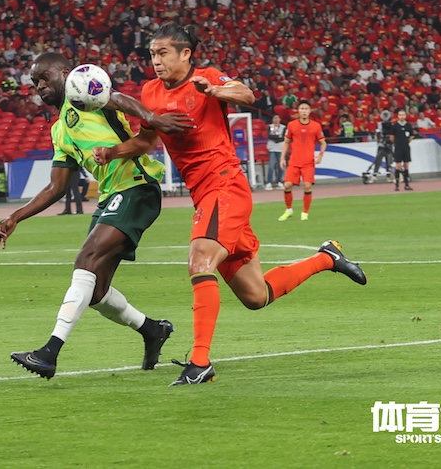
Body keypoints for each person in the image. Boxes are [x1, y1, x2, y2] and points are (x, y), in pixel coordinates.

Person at [93, 23, 367, 386]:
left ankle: (200, 363)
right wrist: (112, 152)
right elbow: (147, 141)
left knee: (199, 261)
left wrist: (216, 90)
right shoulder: (151, 91)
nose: (155, 61)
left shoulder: (206, 78)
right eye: (152, 54)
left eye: (162, 53)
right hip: (205, 195)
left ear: (185, 54)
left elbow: (246, 94)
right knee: (256, 295)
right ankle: (327, 257)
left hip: (224, 185)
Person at [0, 52, 193, 380]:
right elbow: (57, 186)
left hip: (135, 187)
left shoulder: (85, 93)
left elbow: (118, 98)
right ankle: (152, 330)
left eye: (45, 77)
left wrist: (152, 118)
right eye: (35, 82)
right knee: (97, 291)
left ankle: (49, 353)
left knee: (85, 261)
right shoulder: (60, 131)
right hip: (110, 197)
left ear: (65, 73)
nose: (40, 86)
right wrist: (16, 216)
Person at [278, 100, 327, 221]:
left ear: (310, 111)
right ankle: (288, 210)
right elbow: (286, 142)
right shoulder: (291, 125)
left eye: (306, 109)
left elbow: (323, 143)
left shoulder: (316, 126)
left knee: (307, 186)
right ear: (298, 111)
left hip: (308, 162)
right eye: (302, 109)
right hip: (294, 161)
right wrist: (282, 157)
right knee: (287, 185)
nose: (304, 111)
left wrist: (320, 155)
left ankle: (305, 213)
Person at [390, 109, 415, 191]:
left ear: (405, 115)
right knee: (398, 165)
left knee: (406, 165)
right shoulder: (395, 126)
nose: (402, 116)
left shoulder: (408, 125)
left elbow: (411, 136)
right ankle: (397, 185)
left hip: (406, 147)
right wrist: (397, 143)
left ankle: (407, 184)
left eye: (403, 115)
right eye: (400, 115)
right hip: (398, 147)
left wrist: (406, 142)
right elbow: (392, 137)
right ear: (398, 116)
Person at [264, 113, 285, 190]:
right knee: (271, 166)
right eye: (275, 118)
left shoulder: (283, 127)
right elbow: (269, 136)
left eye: (277, 118)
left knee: (281, 166)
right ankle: (269, 182)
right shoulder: (270, 127)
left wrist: (276, 138)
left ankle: (279, 181)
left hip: (281, 149)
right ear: (273, 119)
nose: (276, 120)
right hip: (272, 148)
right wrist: (278, 137)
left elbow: (283, 137)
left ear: (280, 119)